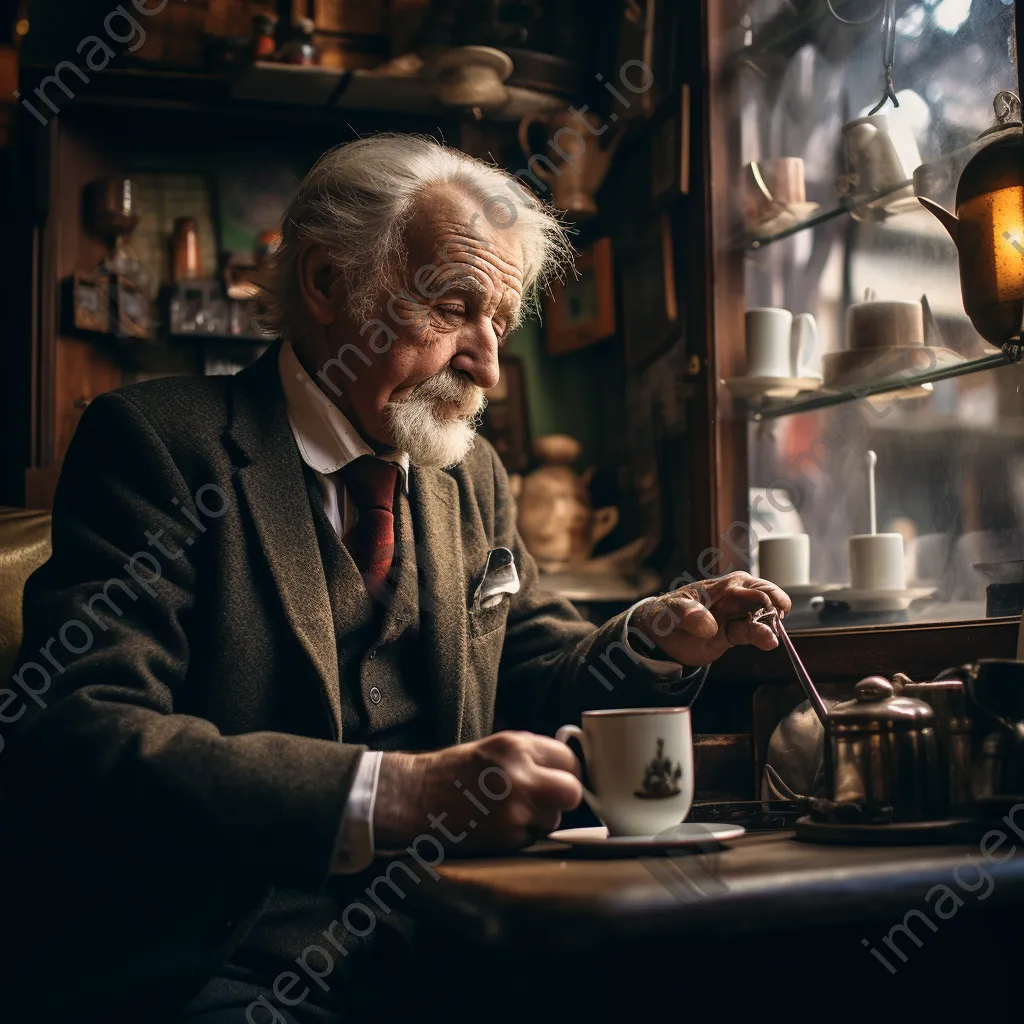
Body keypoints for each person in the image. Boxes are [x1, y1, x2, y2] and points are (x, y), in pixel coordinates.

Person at [0, 134, 789, 1022]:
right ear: (329, 284)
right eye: (455, 307)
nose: (488, 364)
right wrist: (396, 795)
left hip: (462, 936)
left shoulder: (469, 473)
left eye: (501, 321)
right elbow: (82, 734)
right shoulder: (157, 445)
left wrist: (652, 637)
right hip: (220, 965)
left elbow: (531, 662)